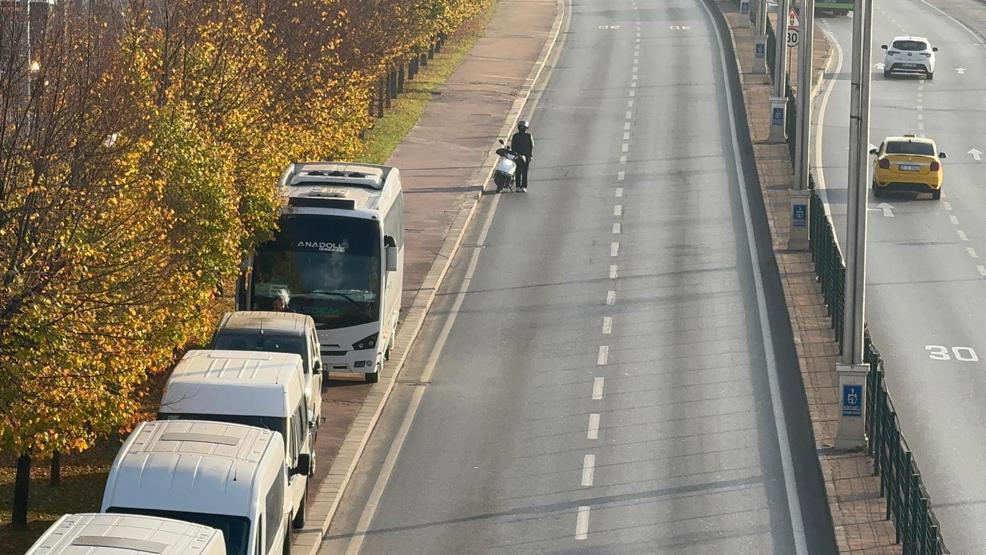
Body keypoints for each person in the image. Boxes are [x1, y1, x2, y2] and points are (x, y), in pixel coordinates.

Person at [510, 120, 533, 192]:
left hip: (525, 156)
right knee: (519, 171)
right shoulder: (515, 136)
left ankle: (523, 186)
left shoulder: (528, 136)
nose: (523, 129)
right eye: (521, 127)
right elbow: (513, 146)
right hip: (518, 156)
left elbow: (531, 146)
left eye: (524, 127)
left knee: (523, 172)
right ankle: (518, 186)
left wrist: (530, 156)